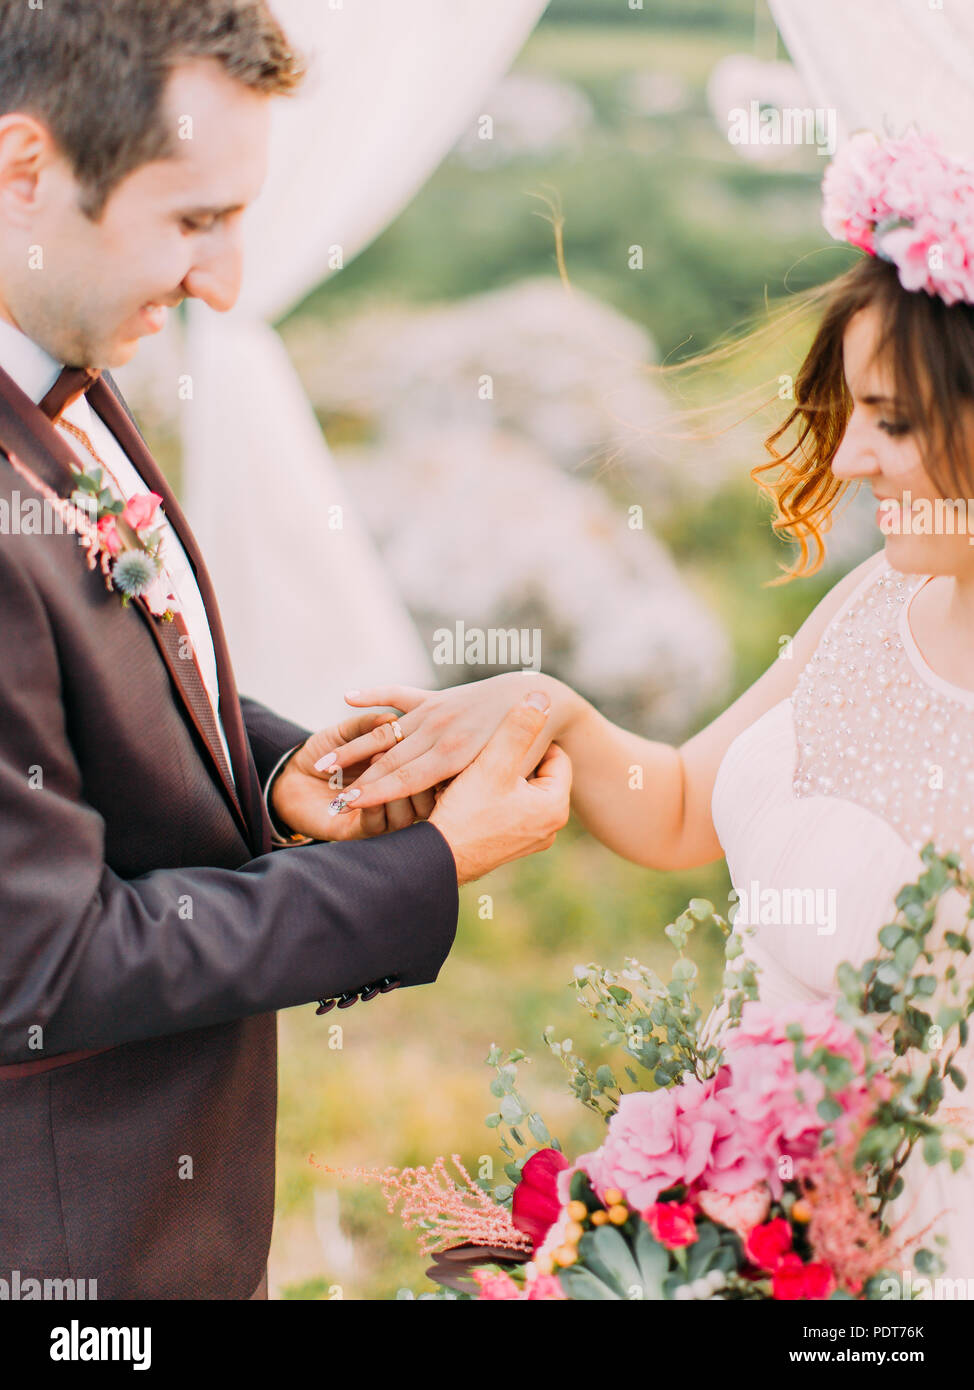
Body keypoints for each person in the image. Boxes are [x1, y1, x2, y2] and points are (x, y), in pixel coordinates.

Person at [324, 129, 974, 1282]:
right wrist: (547, 708)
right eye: (849, 411)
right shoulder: (874, 602)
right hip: (739, 1219)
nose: (855, 457)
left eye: (896, 420)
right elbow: (678, 807)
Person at [0, 0, 571, 1301]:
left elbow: (71, 703)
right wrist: (431, 863)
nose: (228, 281)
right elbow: (44, 963)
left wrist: (280, 775)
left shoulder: (62, 357)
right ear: (25, 172)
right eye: (194, 220)